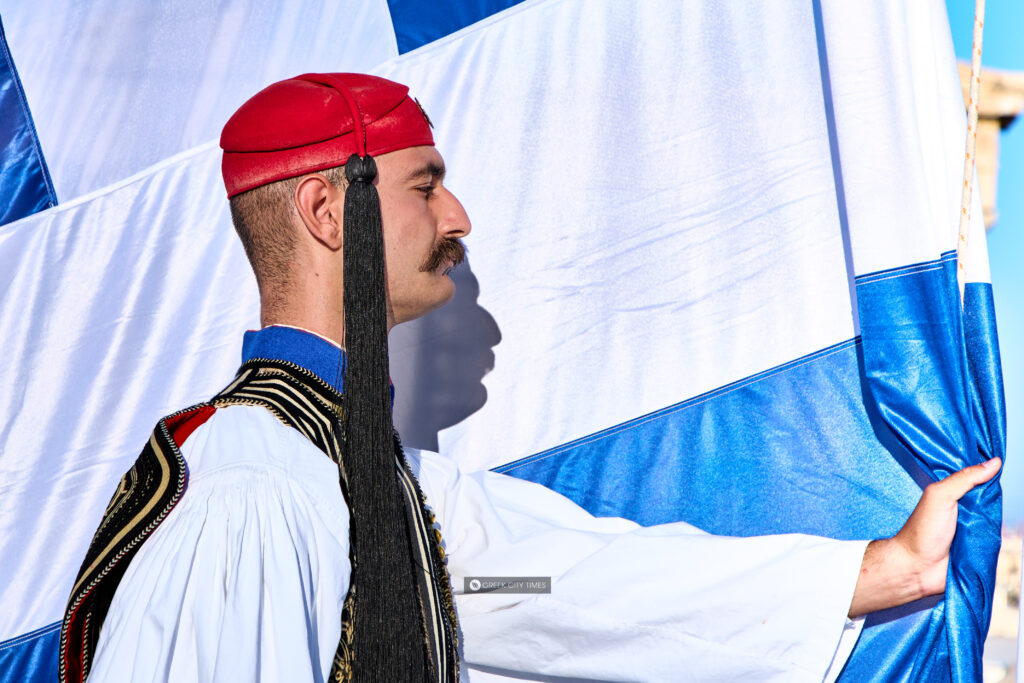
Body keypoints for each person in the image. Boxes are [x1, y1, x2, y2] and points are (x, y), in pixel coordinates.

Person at [59, 73, 1000, 683]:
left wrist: (880, 568)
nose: (458, 214)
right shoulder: (251, 496)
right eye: (424, 185)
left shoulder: (395, 494)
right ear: (325, 209)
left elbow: (557, 583)